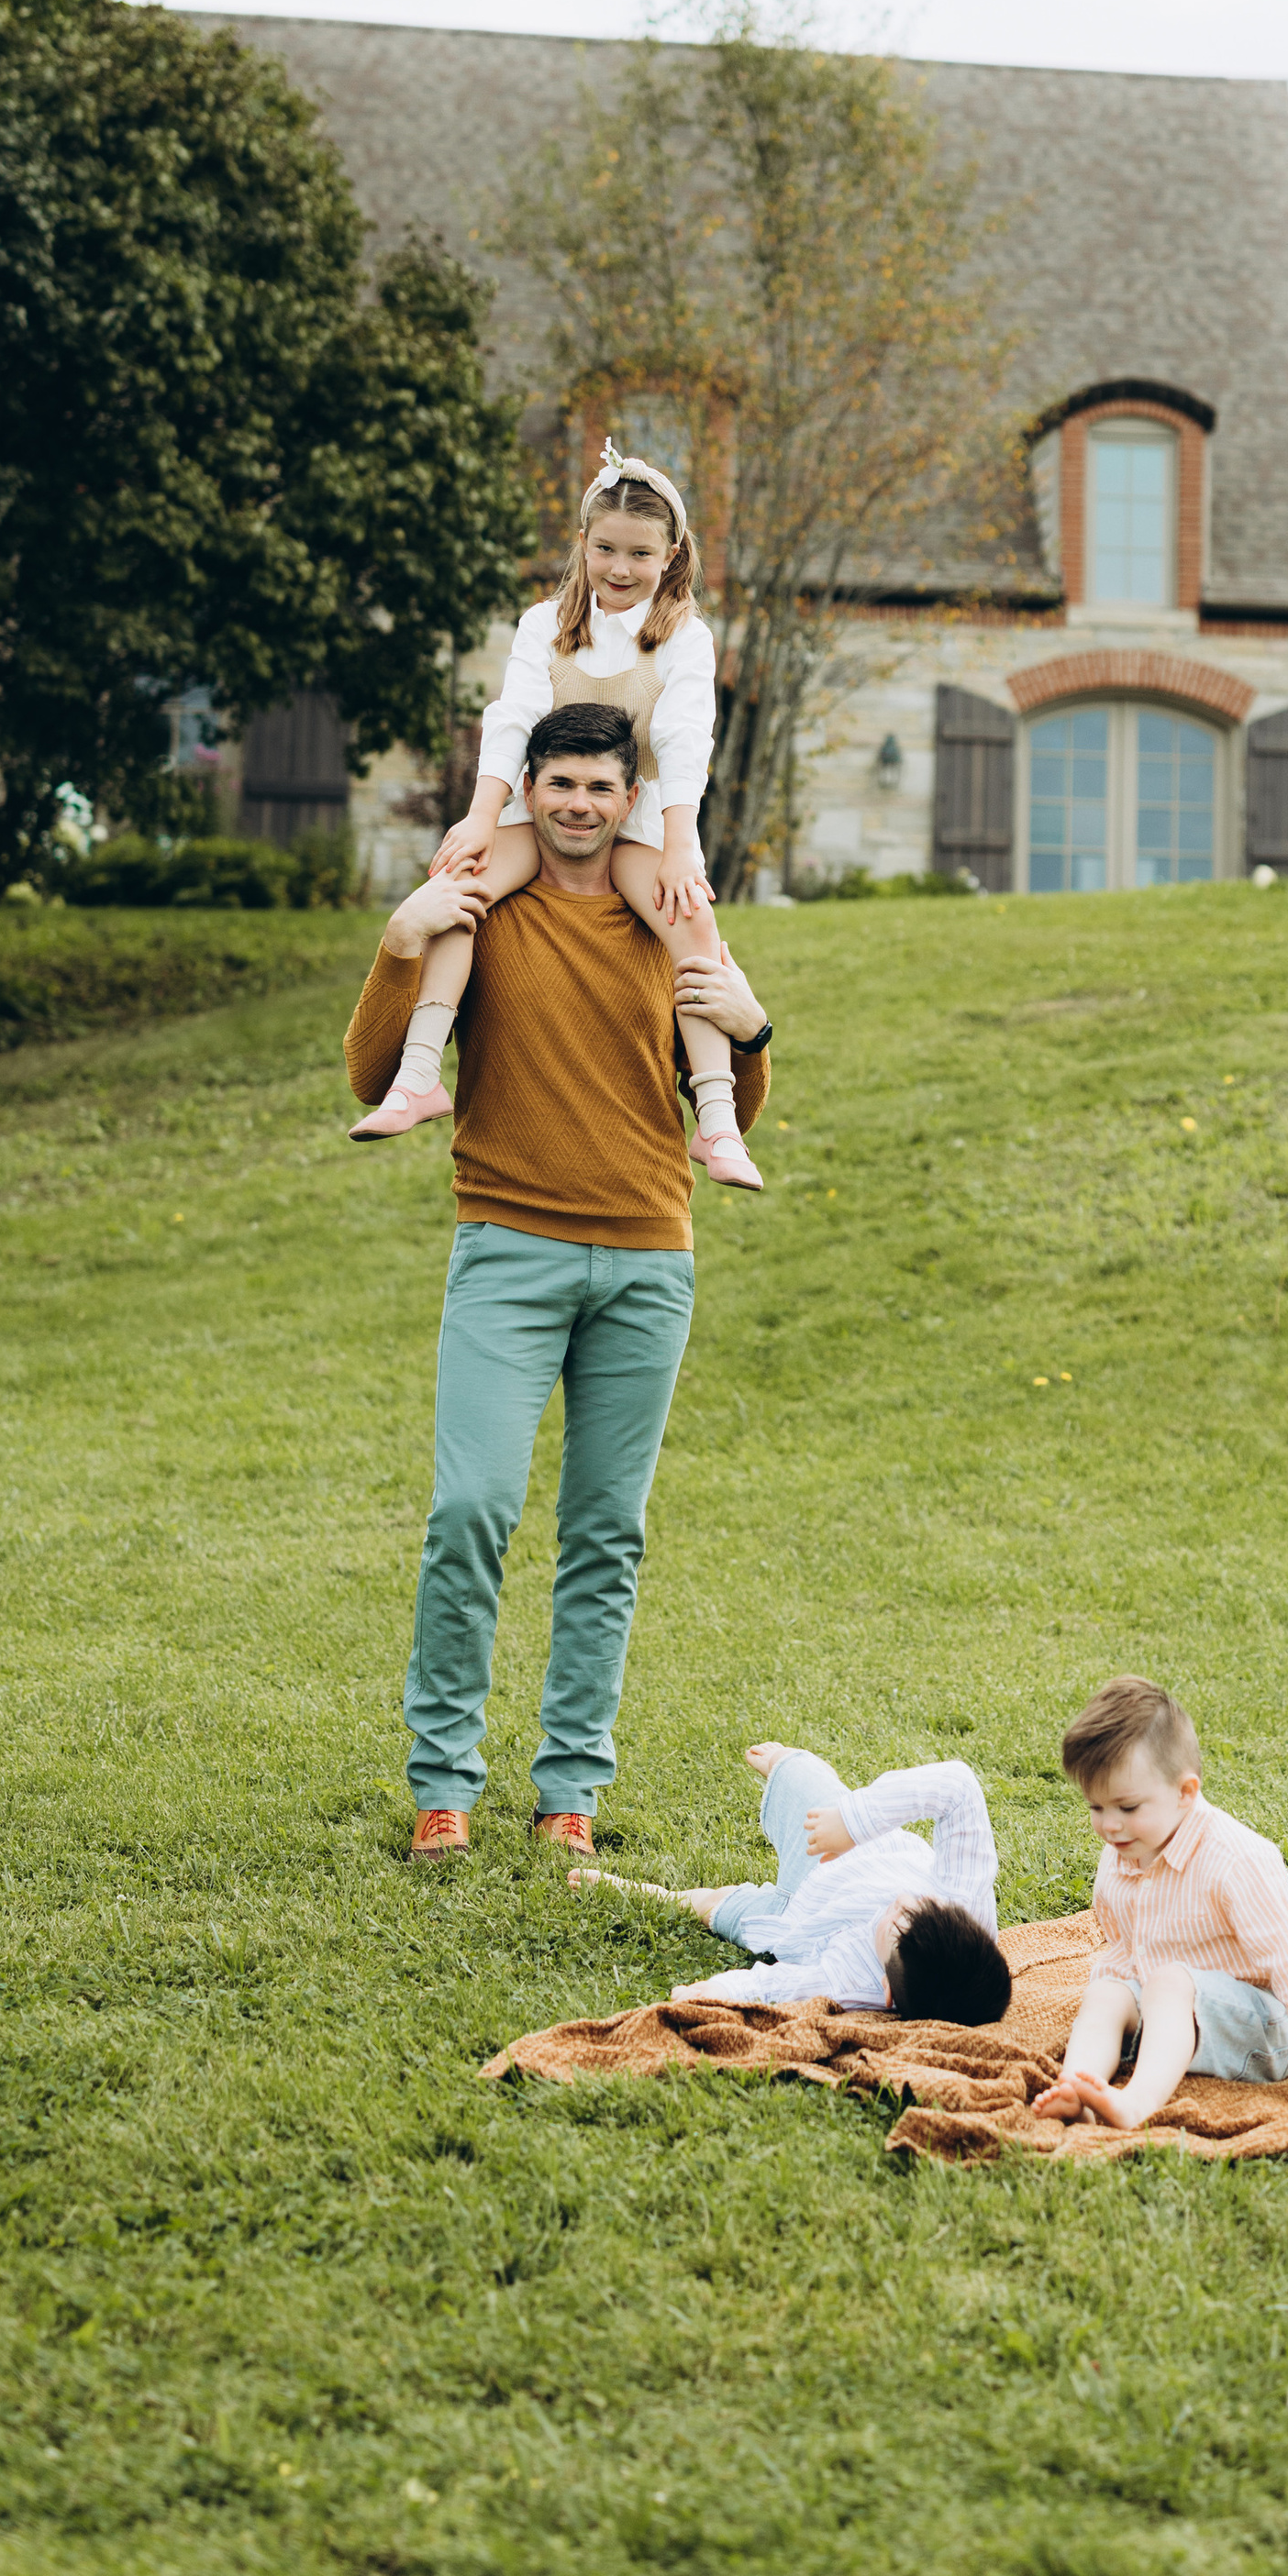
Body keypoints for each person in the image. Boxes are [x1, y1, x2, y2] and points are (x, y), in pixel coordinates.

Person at [344, 701, 773, 1863]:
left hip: (647, 1257)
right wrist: (398, 939)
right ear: (525, 787)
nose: (578, 805)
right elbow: (371, 1071)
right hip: (508, 1248)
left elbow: (720, 1098)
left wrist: (755, 1032)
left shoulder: (664, 911)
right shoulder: (486, 908)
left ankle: (569, 1790)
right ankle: (444, 1783)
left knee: (604, 1534)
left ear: (630, 800)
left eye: (599, 787)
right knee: (470, 1512)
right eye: (559, 784)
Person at [350, 443, 760, 1190]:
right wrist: (480, 819)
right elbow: (511, 720)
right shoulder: (544, 623)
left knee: (692, 921)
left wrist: (680, 844)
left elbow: (681, 737)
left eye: (640, 552)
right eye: (605, 548)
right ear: (582, 544)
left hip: (637, 818)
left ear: (671, 554)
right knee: (460, 887)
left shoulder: (685, 638)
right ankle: (417, 1076)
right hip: (532, 808)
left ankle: (718, 1121)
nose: (620, 568)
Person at [1031, 1677, 1288, 2128]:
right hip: (1165, 2010)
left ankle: (1135, 2103)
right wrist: (1115, 2003)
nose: (1109, 1826)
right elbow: (1126, 1947)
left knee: (1168, 1981)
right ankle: (1078, 2086)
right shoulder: (1122, 1854)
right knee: (1107, 1987)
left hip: (1258, 2027)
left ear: (1185, 1792)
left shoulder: (1237, 1860)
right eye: (1095, 1807)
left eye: (1126, 1808)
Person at [572, 1740, 1013, 2024]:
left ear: (886, 1991)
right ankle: (795, 1768)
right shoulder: (965, 1898)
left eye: (895, 1924)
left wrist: (714, 1991)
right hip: (851, 1851)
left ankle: (647, 1892)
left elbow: (776, 1986)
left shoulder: (856, 1983)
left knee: (713, 1908)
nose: (901, 1901)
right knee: (800, 1776)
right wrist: (852, 1822)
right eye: (919, 1907)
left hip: (793, 1920)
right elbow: (957, 1786)